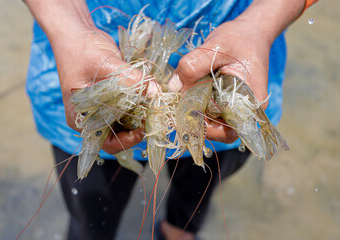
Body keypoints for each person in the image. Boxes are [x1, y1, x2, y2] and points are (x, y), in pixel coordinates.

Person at [24, 0, 317, 239]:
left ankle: (177, 232)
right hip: (79, 72)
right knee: (91, 222)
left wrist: (259, 26)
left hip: (226, 85)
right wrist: (69, 28)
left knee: (191, 205)